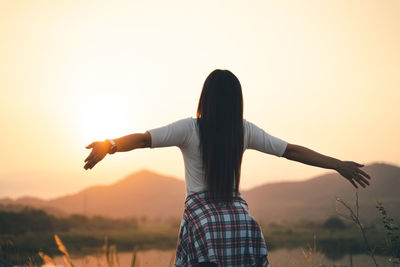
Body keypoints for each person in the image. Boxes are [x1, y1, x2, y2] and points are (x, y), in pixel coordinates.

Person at [83, 69, 371, 267]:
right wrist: (337, 164)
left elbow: (145, 140)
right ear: (237, 102)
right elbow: (291, 151)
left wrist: (110, 145)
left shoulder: (190, 128)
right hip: (241, 220)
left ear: (205, 98)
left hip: (203, 220)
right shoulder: (242, 130)